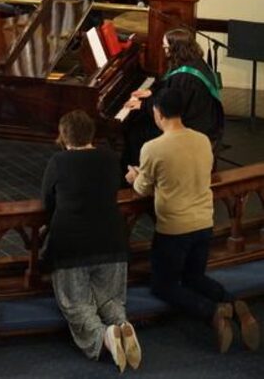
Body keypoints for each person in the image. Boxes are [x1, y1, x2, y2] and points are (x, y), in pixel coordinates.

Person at [126, 88, 260, 353]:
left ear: (159, 114)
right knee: (194, 277)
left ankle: (213, 313)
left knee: (163, 285)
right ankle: (234, 303)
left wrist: (134, 177)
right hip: (203, 223)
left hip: (174, 228)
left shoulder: (153, 148)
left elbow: (142, 188)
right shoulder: (202, 140)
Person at [41, 110, 139, 373]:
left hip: (71, 245)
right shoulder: (109, 158)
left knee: (76, 303)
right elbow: (119, 185)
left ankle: (104, 336)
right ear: (91, 134)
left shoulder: (59, 162)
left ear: (64, 136)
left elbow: (46, 202)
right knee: (110, 298)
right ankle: (122, 325)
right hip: (111, 240)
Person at [121, 28, 225, 168]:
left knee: (136, 131)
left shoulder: (186, 77)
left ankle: (138, 175)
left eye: (166, 47)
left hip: (194, 127)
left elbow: (172, 105)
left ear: (176, 49)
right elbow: (171, 88)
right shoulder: (193, 61)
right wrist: (152, 92)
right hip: (202, 117)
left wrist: (144, 105)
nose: (165, 51)